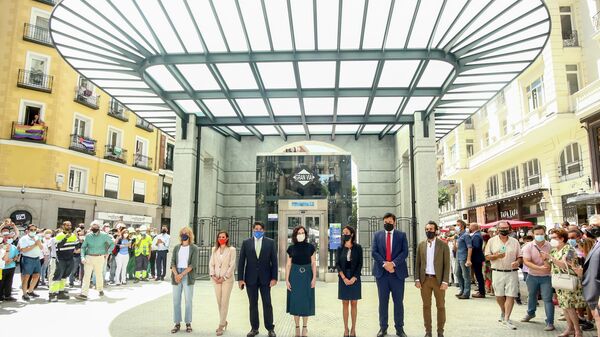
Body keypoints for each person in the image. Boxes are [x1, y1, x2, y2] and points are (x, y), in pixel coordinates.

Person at [541, 228, 587, 337]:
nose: (551, 240)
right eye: (551, 238)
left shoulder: (569, 249)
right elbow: (548, 266)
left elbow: (564, 265)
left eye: (554, 238)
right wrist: (544, 259)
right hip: (559, 282)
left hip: (568, 281)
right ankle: (570, 328)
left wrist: (550, 258)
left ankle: (577, 331)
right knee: (564, 307)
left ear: (562, 238)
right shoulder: (553, 250)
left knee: (570, 307)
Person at [238, 221, 278, 337]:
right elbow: (241, 262)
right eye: (256, 229)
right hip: (250, 279)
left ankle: (270, 328)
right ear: (253, 230)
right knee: (253, 304)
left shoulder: (270, 243)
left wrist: (274, 278)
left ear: (264, 231)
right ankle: (254, 328)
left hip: (266, 279)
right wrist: (240, 279)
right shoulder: (246, 243)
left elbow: (274, 262)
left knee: (267, 303)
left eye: (260, 229)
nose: (258, 231)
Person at [372, 213, 409, 337]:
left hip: (397, 274)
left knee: (398, 302)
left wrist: (393, 264)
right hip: (382, 274)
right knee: (383, 302)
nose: (387, 223)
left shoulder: (401, 235)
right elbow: (374, 252)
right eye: (385, 222)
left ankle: (400, 328)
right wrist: (385, 264)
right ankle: (383, 328)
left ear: (394, 222)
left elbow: (405, 252)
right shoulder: (377, 235)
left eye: (390, 221)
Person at [415, 221, 450, 337]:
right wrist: (417, 279)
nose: (428, 231)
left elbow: (447, 264)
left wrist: (445, 281)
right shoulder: (421, 245)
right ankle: (428, 332)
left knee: (440, 306)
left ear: (435, 230)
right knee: (426, 306)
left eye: (431, 229)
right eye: (427, 229)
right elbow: (417, 264)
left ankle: (440, 332)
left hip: (438, 281)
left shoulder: (443, 245)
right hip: (425, 280)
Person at [484, 221, 522, 330]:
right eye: (502, 228)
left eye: (506, 228)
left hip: (512, 272)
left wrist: (517, 262)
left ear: (509, 229)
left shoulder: (515, 242)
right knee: (499, 295)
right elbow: (487, 257)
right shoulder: (491, 241)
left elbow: (520, 256)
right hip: (497, 271)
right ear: (497, 229)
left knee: (511, 295)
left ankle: (506, 318)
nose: (504, 230)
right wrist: (496, 256)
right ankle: (503, 311)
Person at [520, 225, 554, 331]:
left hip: (547, 277)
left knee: (547, 299)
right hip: (532, 276)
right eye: (537, 234)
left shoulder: (550, 246)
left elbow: (553, 260)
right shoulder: (528, 246)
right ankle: (530, 313)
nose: (539, 236)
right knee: (531, 295)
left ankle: (550, 322)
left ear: (545, 234)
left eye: (541, 234)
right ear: (533, 235)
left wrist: (546, 266)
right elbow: (526, 261)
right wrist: (539, 268)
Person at [285, 226, 316, 337]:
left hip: (307, 276)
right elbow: (288, 264)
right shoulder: (291, 248)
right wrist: (287, 279)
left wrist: (314, 278)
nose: (301, 234)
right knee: (296, 302)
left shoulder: (310, 247)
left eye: (303, 232)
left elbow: (313, 263)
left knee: (306, 302)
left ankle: (305, 328)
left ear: (306, 234)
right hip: (295, 276)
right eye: (299, 232)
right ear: (295, 235)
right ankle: (297, 327)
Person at [76, 221, 114, 301]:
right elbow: (83, 247)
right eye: (92, 226)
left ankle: (100, 289)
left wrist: (108, 253)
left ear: (99, 227)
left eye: (95, 226)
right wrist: (82, 257)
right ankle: (84, 294)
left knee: (98, 275)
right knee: (86, 276)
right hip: (89, 257)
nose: (94, 227)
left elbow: (112, 244)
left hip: (100, 258)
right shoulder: (88, 236)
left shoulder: (104, 235)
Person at [170, 226, 198, 334]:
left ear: (190, 235)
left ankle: (188, 323)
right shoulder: (177, 247)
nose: (184, 234)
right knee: (176, 300)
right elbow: (172, 262)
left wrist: (181, 275)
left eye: (186, 233)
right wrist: (176, 274)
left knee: (188, 301)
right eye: (182, 233)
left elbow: (193, 264)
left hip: (187, 275)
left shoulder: (194, 248)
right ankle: (177, 323)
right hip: (176, 274)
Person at [336, 225, 362, 337]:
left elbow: (360, 264)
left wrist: (354, 278)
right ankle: (345, 329)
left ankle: (353, 329)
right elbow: (337, 264)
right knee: (345, 303)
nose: (344, 235)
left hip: (355, 277)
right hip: (343, 277)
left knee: (354, 303)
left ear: (351, 234)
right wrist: (344, 277)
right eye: (343, 233)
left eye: (346, 233)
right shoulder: (339, 248)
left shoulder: (358, 247)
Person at [209, 230, 236, 336]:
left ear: (227, 238)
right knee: (219, 302)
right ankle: (224, 321)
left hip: (227, 280)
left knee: (224, 302)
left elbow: (232, 265)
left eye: (223, 237)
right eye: (219, 237)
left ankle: (221, 325)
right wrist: (213, 275)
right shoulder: (214, 249)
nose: (221, 238)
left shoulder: (231, 250)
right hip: (216, 279)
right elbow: (211, 264)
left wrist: (224, 277)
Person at [49, 221, 78, 302]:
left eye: (70, 225)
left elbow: (76, 245)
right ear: (63, 226)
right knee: (57, 275)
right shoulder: (59, 235)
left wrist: (79, 240)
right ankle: (52, 294)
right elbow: (57, 246)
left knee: (65, 276)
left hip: (70, 258)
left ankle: (60, 292)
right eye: (67, 225)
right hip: (61, 258)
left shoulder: (73, 235)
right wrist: (65, 238)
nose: (69, 226)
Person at [581, 217, 600, 337]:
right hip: (593, 293)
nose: (591, 228)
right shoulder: (597, 243)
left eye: (595, 225)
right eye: (590, 225)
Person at [17, 224, 43, 300]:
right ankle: (24, 293)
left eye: (35, 230)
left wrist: (39, 243)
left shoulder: (38, 237)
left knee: (37, 275)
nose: (33, 231)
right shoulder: (24, 238)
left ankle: (30, 291)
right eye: (31, 230)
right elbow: (23, 250)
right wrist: (35, 244)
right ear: (28, 230)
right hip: (27, 259)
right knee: (26, 276)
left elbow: (41, 247)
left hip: (37, 258)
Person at [454, 220, 472, 300]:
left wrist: (468, 259)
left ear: (462, 226)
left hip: (464, 257)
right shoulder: (459, 236)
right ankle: (462, 289)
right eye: (456, 225)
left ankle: (466, 293)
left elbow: (470, 247)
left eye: (458, 225)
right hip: (458, 256)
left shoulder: (466, 235)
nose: (456, 227)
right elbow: (456, 248)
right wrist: (455, 239)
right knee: (457, 273)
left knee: (466, 275)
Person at [0, 227, 19, 301]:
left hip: (11, 267)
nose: (8, 238)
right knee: (1, 283)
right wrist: (6, 260)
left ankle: (8, 296)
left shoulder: (13, 246)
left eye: (10, 237)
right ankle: (1, 296)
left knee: (9, 282)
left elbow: (17, 255)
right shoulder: (1, 246)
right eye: (6, 237)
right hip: (2, 268)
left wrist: (14, 259)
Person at [469, 223, 485, 298]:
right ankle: (481, 290)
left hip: (476, 258)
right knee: (478, 275)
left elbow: (476, 246)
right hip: (477, 258)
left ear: (473, 227)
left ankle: (481, 292)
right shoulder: (477, 235)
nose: (469, 227)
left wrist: (469, 248)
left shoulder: (476, 235)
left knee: (478, 275)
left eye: (470, 226)